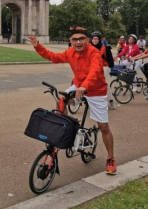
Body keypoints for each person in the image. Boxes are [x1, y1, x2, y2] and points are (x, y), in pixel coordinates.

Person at [27, 26, 117, 175]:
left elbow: (94, 72)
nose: (78, 42)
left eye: (81, 39)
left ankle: (111, 158)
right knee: (60, 101)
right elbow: (54, 57)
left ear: (87, 40)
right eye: (75, 39)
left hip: (96, 90)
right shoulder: (70, 52)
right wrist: (38, 46)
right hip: (79, 85)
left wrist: (84, 87)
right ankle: (68, 129)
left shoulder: (94, 53)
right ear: (71, 41)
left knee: (103, 127)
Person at [90, 31, 116, 110]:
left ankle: (110, 100)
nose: (95, 40)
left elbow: (110, 59)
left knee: (104, 83)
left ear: (99, 39)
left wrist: (111, 67)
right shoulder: (89, 48)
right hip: (93, 67)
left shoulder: (105, 47)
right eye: (93, 39)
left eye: (96, 39)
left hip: (103, 67)